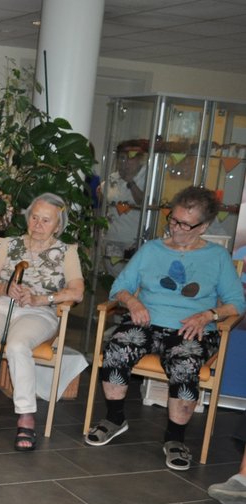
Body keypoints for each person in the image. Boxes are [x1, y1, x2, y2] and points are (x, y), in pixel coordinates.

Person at [86, 186, 245, 470]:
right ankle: (115, 418)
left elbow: (237, 304)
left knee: (185, 363)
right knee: (117, 348)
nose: (176, 228)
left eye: (185, 224)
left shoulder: (217, 257)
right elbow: (119, 287)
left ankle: (175, 438)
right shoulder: (151, 249)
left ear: (204, 226)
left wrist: (209, 314)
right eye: (174, 220)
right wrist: (133, 302)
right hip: (146, 321)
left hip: (191, 328)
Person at [0, 193, 84, 450]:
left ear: (57, 225)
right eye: (34, 217)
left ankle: (26, 417)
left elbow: (77, 292)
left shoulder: (66, 252)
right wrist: (6, 289)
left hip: (39, 311)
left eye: (46, 220)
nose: (38, 224)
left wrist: (41, 298)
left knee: (17, 346)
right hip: (0, 305)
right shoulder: (9, 244)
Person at [100, 139, 148, 276]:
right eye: (121, 158)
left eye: (130, 158)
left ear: (139, 159)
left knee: (133, 278)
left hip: (135, 241)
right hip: (112, 239)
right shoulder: (113, 178)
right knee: (114, 276)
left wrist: (131, 182)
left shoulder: (147, 176)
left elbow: (144, 202)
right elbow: (103, 197)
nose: (125, 162)